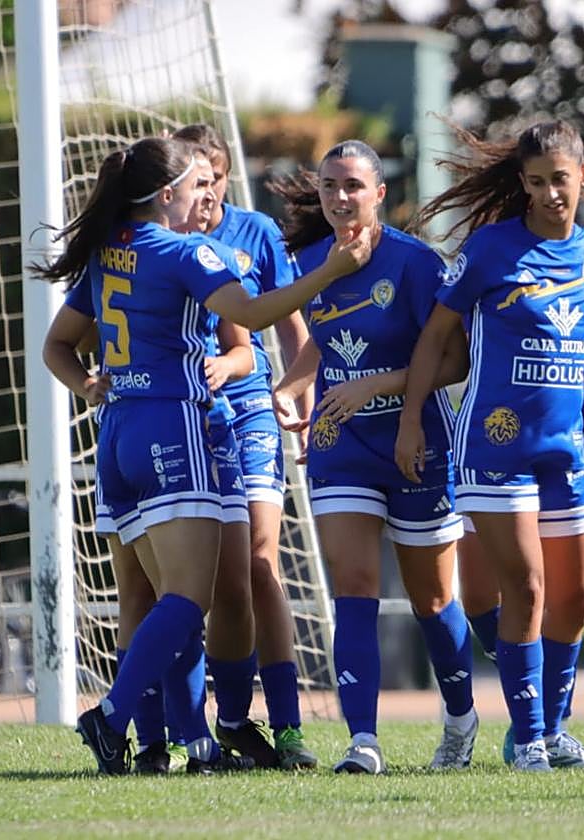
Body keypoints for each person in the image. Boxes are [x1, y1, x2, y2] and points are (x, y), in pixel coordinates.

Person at [35, 135, 368, 774]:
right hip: (174, 429)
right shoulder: (183, 252)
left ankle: (196, 743)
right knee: (189, 597)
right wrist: (330, 272)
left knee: (165, 597)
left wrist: (88, 385)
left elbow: (58, 346)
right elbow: (253, 310)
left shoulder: (109, 250)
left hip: (117, 436)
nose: (206, 196)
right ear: (168, 194)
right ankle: (110, 718)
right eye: (196, 186)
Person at [396, 119, 584, 772]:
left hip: (565, 452)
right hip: (493, 446)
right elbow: (437, 337)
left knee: (575, 600)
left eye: (561, 179)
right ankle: (526, 742)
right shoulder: (491, 250)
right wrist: (412, 419)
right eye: (538, 182)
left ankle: (555, 734)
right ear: (522, 185)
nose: (552, 193)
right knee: (527, 587)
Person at [270, 139, 477, 774]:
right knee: (353, 589)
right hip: (341, 443)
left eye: (353, 186)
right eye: (330, 186)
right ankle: (363, 739)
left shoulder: (416, 265)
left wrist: (377, 385)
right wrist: (295, 383)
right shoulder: (310, 263)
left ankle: (461, 720)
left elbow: (455, 358)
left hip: (417, 443)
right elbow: (326, 342)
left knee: (434, 602)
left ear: (379, 193)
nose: (340, 197)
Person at [173, 124, 317, 770]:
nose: (207, 192)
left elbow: (291, 328)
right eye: (194, 179)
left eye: (215, 177)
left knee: (262, 563)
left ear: (226, 178)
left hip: (252, 407)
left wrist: (297, 389)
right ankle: (221, 723)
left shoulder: (253, 234)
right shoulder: (161, 240)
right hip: (185, 417)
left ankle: (286, 727)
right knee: (210, 581)